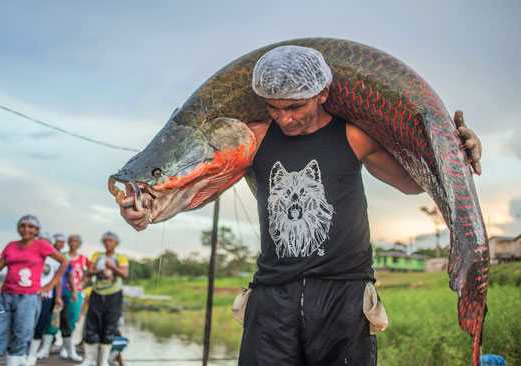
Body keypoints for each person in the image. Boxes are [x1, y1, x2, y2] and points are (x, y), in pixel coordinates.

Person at [118, 46, 483, 365]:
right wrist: (148, 209)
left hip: (343, 294)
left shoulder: (352, 135)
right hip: (273, 295)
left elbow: (411, 183)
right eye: (275, 108)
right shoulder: (257, 139)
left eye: (295, 106)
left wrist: (458, 154)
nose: (286, 118)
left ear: (323, 93)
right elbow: (203, 191)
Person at [0, 215, 68, 366]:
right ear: (19, 228)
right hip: (6, 296)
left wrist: (50, 285)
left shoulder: (41, 245)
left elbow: (64, 261)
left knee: (21, 335)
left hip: (28, 297)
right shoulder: (11, 246)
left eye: (31, 227)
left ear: (36, 230)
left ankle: (14, 361)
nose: (26, 229)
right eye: (23, 226)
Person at [80, 231, 128, 366]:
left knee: (110, 325)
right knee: (92, 324)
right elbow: (89, 271)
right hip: (97, 293)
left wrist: (112, 267)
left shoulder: (121, 257)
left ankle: (103, 361)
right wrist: (99, 271)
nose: (108, 243)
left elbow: (125, 274)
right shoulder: (97, 255)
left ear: (116, 243)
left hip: (114, 294)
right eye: (105, 241)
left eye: (110, 241)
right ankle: (89, 359)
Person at [26, 234, 69, 365]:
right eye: (40, 242)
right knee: (25, 325)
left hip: (46, 297)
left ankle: (32, 355)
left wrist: (58, 297)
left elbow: (58, 281)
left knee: (40, 325)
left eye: (46, 243)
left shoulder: (54, 260)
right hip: (28, 295)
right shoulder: (29, 256)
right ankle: (22, 352)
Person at [59, 234, 89, 361]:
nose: (73, 243)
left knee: (73, 320)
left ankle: (67, 348)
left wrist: (82, 283)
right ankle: (63, 347)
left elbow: (88, 273)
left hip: (76, 293)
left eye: (76, 241)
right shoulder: (63, 256)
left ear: (79, 243)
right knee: (60, 319)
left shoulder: (83, 258)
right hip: (62, 290)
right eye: (71, 240)